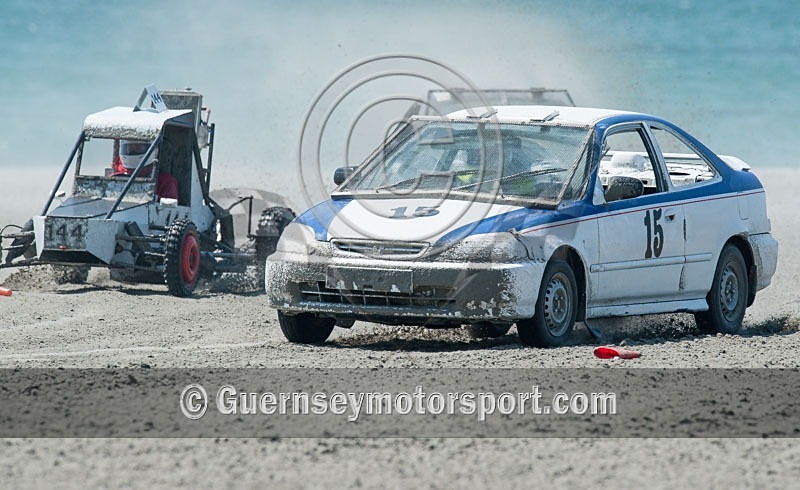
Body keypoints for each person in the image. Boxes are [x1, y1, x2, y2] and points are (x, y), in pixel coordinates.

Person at [111, 140, 178, 202]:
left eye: (138, 148)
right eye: (130, 148)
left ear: (150, 149)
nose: (133, 151)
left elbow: (169, 208)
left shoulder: (165, 181)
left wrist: (155, 199)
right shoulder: (114, 179)